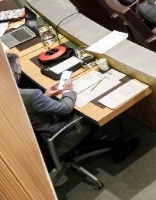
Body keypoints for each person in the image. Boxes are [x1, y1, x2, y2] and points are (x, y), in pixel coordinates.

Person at [9, 53, 138, 164]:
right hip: (61, 134)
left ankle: (97, 143)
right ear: (14, 73)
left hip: (38, 132)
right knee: (102, 110)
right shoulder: (30, 95)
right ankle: (119, 149)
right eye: (19, 68)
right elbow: (65, 109)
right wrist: (68, 91)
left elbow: (28, 106)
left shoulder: (8, 93)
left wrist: (44, 96)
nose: (20, 71)